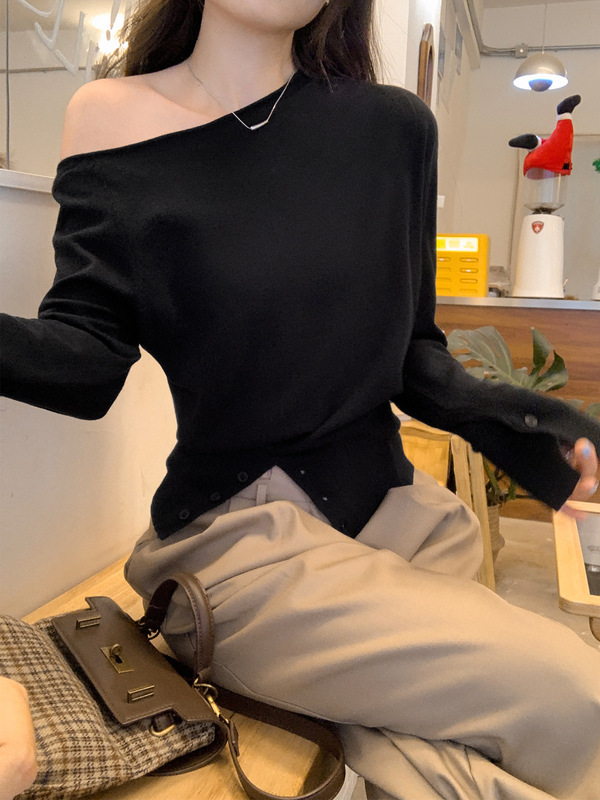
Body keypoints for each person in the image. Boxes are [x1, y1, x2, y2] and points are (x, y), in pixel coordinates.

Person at [1, 1, 599, 798]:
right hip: (238, 547)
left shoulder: (395, 128)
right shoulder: (109, 117)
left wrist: (528, 428)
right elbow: (87, 362)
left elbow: (415, 353)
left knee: (446, 754)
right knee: (576, 691)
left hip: (400, 519)